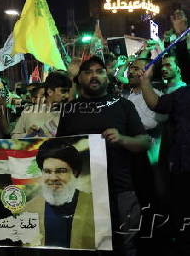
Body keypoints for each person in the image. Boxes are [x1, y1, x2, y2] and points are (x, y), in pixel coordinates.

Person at [57, 56, 151, 256]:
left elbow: (145, 142)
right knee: (86, 245)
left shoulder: (123, 105)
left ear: (107, 76)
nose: (94, 76)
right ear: (79, 78)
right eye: (88, 72)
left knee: (125, 246)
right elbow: (60, 149)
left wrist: (122, 139)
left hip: (120, 190)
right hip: (82, 194)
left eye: (99, 71)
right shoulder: (70, 109)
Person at [140, 65, 190, 256]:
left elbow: (157, 105)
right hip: (183, 166)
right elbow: (158, 104)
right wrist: (145, 81)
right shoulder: (183, 94)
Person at [24, 139, 94, 249]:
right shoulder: (28, 209)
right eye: (47, 171)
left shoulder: (95, 205)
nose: (53, 178)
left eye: (61, 171)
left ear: (74, 172)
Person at [11, 72, 71, 139]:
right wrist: (28, 135)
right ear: (50, 91)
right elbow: (14, 137)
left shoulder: (68, 114)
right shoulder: (29, 111)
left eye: (68, 92)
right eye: (63, 91)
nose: (67, 96)